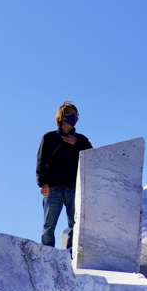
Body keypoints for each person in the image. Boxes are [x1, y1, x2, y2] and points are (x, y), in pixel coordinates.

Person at [35, 101, 93, 249]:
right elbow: (41, 161)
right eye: (69, 114)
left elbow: (93, 158)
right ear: (61, 117)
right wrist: (43, 183)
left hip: (75, 189)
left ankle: (70, 256)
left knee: (75, 226)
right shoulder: (49, 138)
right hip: (53, 188)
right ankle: (48, 255)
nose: (73, 117)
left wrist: (77, 144)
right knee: (49, 226)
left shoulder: (82, 140)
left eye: (75, 114)